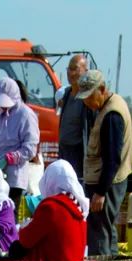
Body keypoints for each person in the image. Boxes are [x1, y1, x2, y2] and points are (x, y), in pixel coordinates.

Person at [78, 68, 132, 259]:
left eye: (89, 96)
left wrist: (100, 192)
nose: (86, 102)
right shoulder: (106, 107)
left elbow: (112, 159)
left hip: (107, 183)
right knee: (106, 227)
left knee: (99, 231)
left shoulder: (112, 115)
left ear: (101, 89)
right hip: (106, 181)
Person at [7, 160, 88, 261]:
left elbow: (26, 240)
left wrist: (23, 228)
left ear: (50, 180)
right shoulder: (80, 206)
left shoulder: (51, 206)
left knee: (15, 249)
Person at [0, 77, 42, 203]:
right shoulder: (1, 113)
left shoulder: (26, 115)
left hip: (14, 178)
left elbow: (30, 149)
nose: (2, 106)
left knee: (10, 214)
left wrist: (9, 158)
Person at [57, 54, 92, 182]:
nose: (71, 73)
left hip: (79, 153)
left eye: (75, 69)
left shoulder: (88, 98)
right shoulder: (66, 95)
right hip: (64, 151)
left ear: (85, 71)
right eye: (69, 69)